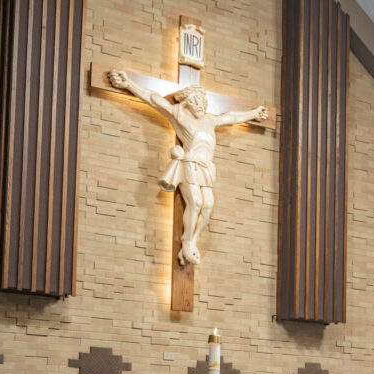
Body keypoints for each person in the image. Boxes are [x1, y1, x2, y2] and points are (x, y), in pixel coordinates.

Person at [106, 70, 268, 266]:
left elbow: (232, 117)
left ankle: (192, 239)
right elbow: (154, 99)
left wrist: (254, 113)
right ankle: (187, 241)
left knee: (208, 205)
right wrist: (128, 84)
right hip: (190, 164)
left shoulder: (210, 120)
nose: (201, 104)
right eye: (196, 100)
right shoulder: (179, 115)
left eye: (203, 100)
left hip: (207, 168)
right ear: (186, 102)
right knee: (197, 202)